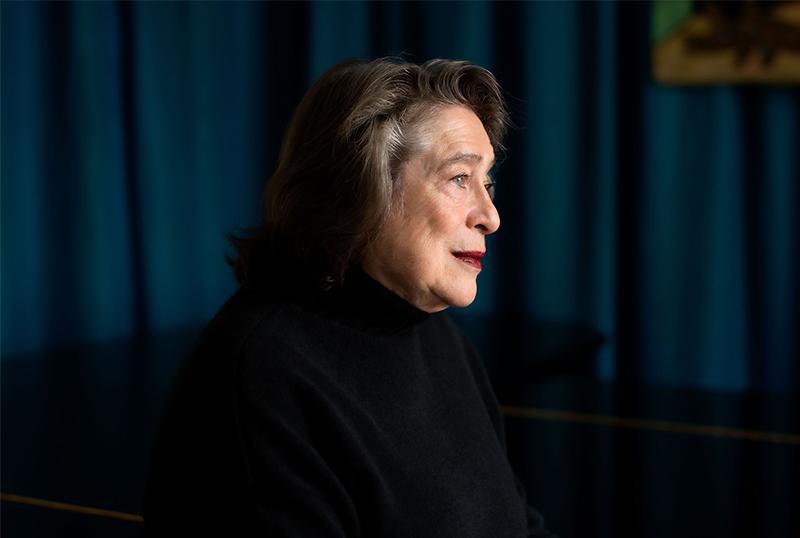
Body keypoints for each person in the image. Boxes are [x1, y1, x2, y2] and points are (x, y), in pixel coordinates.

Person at [145, 57, 554, 537]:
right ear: (363, 186)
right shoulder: (262, 376)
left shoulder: (442, 341)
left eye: (487, 183)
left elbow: (517, 524)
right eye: (459, 179)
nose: (490, 216)